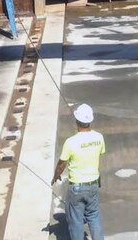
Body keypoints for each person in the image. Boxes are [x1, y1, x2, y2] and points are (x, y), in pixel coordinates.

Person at [53, 103, 106, 240]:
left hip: (76, 186)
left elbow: (61, 164)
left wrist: (56, 175)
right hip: (93, 184)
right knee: (94, 216)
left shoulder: (70, 142)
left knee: (76, 220)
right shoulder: (99, 138)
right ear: (90, 121)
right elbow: (99, 154)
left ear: (77, 121)